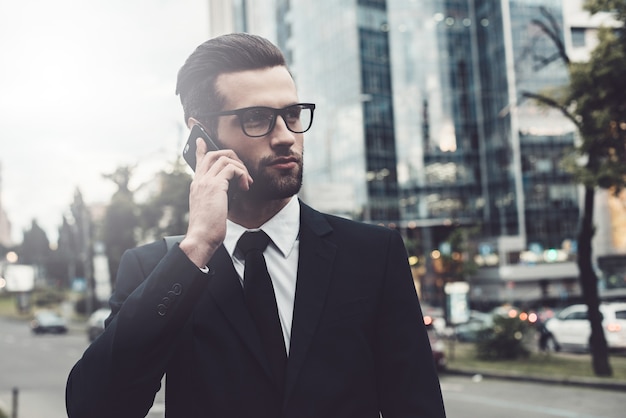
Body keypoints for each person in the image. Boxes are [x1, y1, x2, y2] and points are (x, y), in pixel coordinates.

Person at [65, 33, 446, 418]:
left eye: (292, 114)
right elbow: (94, 407)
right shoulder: (159, 268)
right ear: (202, 134)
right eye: (257, 119)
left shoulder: (372, 254)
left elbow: (416, 405)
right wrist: (196, 247)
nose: (285, 137)